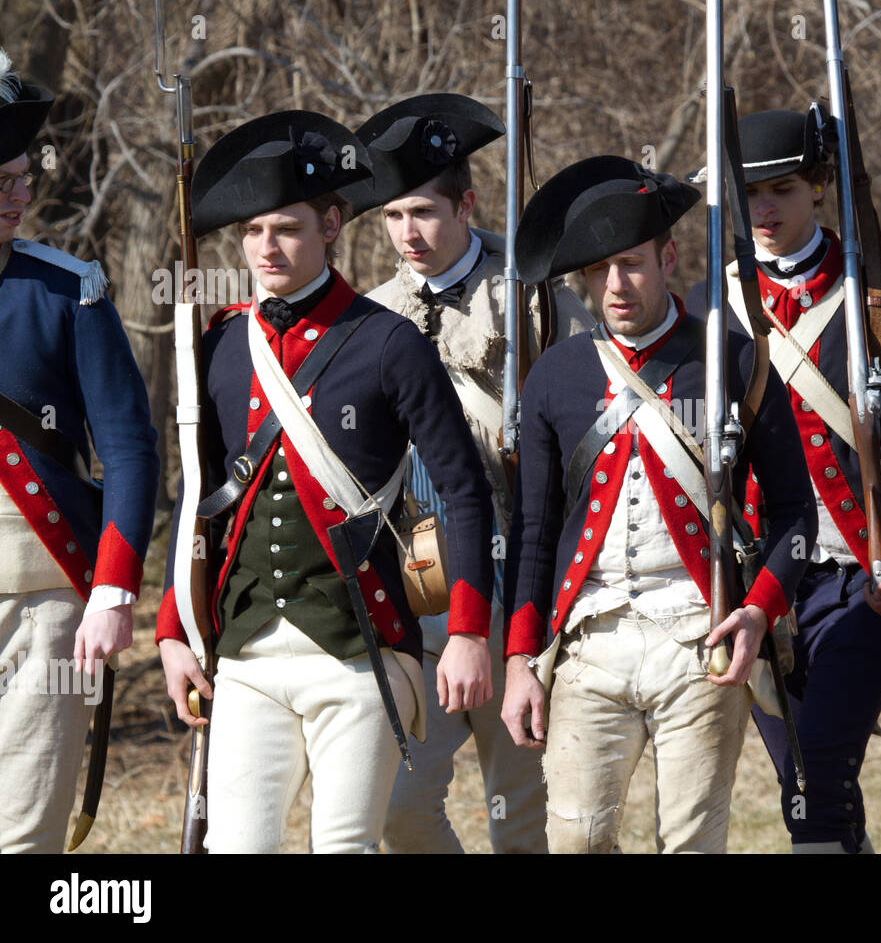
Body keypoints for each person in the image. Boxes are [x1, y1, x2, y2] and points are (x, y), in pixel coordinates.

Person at [153, 110, 496, 853]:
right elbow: (198, 499)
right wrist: (173, 627)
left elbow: (465, 491)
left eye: (285, 228)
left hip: (359, 646)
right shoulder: (222, 343)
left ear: (333, 223)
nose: (265, 248)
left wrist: (467, 631)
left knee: (343, 846)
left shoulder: (388, 342)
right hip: (244, 651)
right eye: (251, 232)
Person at [500, 155, 817, 853]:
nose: (617, 285)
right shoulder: (554, 374)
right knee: (577, 840)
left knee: (692, 842)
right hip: (590, 639)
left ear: (668, 256)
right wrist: (521, 657)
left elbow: (797, 515)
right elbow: (533, 529)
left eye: (634, 263)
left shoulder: (732, 360)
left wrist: (758, 612)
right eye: (601, 269)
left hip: (699, 636)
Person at [686, 109, 881, 853]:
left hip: (858, 575)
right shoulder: (709, 310)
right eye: (747, 199)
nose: (764, 212)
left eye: (780, 189)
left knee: (817, 788)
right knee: (813, 792)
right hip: (759, 584)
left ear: (819, 186)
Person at [344, 93, 591, 853]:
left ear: (466, 204)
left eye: (422, 211)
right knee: (398, 809)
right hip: (419, 584)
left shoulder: (538, 300)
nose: (407, 234)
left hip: (522, 583)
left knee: (522, 813)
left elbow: (593, 436)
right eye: (391, 217)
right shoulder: (367, 316)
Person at [0, 49, 160, 853]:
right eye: (1, 183)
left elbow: (130, 449)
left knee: (23, 831)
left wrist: (112, 590)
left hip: (45, 604)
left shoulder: (70, 289)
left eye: (23, 177)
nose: (19, 195)